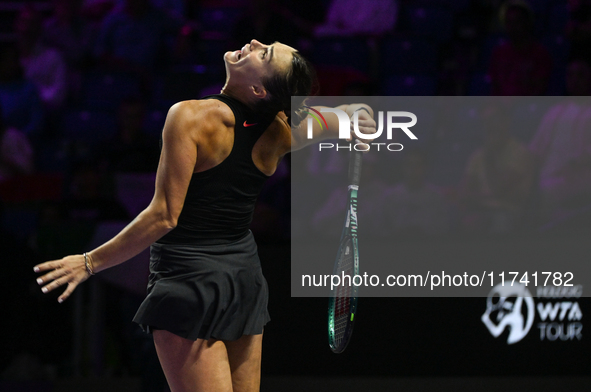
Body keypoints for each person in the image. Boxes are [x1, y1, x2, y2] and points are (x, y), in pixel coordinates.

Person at [34, 39, 376, 392]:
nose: (255, 43)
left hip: (189, 282)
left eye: (265, 54)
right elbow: (340, 116)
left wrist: (90, 262)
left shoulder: (189, 117)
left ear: (259, 89)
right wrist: (356, 116)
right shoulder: (281, 132)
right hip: (244, 279)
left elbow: (164, 216)